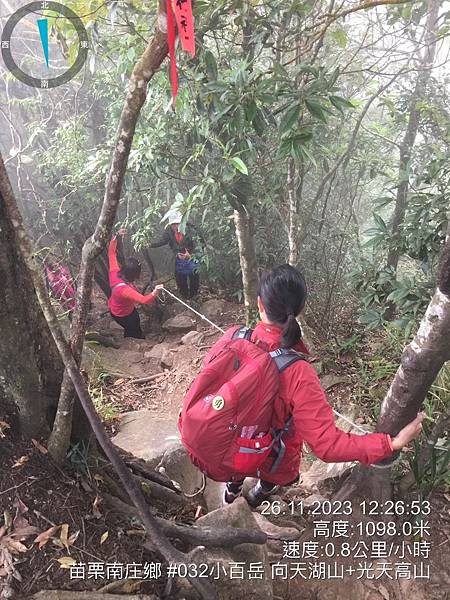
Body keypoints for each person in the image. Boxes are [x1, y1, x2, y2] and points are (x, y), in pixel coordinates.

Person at [185, 265, 424, 508]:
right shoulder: (298, 371)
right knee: (275, 472)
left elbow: (210, 379)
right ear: (298, 310)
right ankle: (258, 494)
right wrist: (389, 444)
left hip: (232, 440)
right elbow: (327, 445)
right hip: (272, 454)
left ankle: (232, 493)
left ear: (259, 305)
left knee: (238, 455)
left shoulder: (233, 336)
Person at [108, 229, 163, 339]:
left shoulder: (114, 272)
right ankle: (135, 340)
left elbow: (111, 253)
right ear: (134, 274)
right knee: (132, 327)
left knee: (134, 323)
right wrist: (156, 292)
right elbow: (144, 300)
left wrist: (116, 236)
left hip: (115, 309)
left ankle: (132, 337)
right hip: (124, 314)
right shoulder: (125, 290)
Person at [148, 210, 200, 299]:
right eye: (173, 224)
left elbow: (199, 245)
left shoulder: (191, 230)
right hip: (179, 258)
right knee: (180, 278)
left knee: (194, 278)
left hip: (192, 258)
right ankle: (184, 296)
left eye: (178, 223)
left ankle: (193, 296)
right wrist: (149, 244)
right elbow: (163, 241)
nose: (175, 226)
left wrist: (190, 255)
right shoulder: (169, 231)